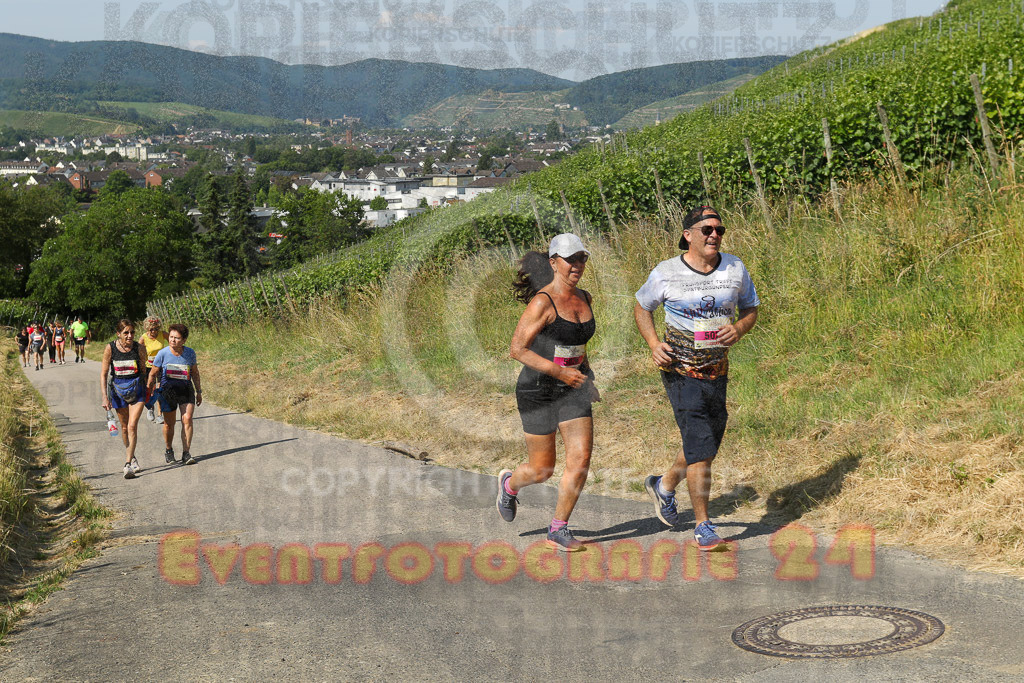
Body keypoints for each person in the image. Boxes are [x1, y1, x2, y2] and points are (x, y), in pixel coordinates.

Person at [634, 205, 759, 550]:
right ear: (687, 235)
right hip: (679, 369)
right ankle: (703, 525)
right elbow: (642, 306)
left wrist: (739, 328)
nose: (714, 235)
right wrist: (653, 343)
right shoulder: (667, 272)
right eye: (706, 230)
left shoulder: (735, 268)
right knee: (700, 444)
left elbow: (751, 308)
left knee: (706, 442)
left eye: (719, 229)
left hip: (717, 369)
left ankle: (664, 485)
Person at [497, 234, 599, 552]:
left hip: (573, 390)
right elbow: (517, 349)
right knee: (542, 469)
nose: (577, 265)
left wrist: (586, 376)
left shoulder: (585, 297)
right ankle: (509, 484)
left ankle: (558, 528)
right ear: (554, 262)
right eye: (571, 259)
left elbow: (578, 345)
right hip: (537, 390)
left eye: (582, 258)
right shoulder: (543, 302)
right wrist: (558, 372)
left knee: (580, 459)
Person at [100, 319, 149, 479]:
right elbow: (104, 373)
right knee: (124, 427)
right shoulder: (111, 348)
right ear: (118, 333)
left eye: (132, 332)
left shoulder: (140, 348)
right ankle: (132, 456)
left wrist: (148, 388)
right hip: (117, 390)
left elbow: (144, 370)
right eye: (126, 332)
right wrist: (104, 397)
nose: (129, 336)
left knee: (132, 426)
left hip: (137, 389)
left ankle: (127, 464)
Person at [148, 323, 202, 466]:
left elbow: (195, 373)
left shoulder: (190, 353)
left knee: (187, 419)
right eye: (171, 337)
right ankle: (169, 450)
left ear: (183, 340)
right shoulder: (163, 354)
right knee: (169, 424)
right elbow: (153, 373)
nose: (172, 340)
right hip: (168, 391)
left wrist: (199, 391)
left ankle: (186, 453)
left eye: (177, 338)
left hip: (186, 390)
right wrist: (150, 389)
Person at [138, 316, 168, 424]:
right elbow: (138, 352)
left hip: (161, 366)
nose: (154, 331)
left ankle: (160, 414)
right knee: (149, 388)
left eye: (156, 329)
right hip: (148, 367)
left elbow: (174, 344)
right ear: (147, 329)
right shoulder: (143, 338)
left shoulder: (163, 334)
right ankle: (150, 408)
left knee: (160, 389)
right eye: (151, 329)